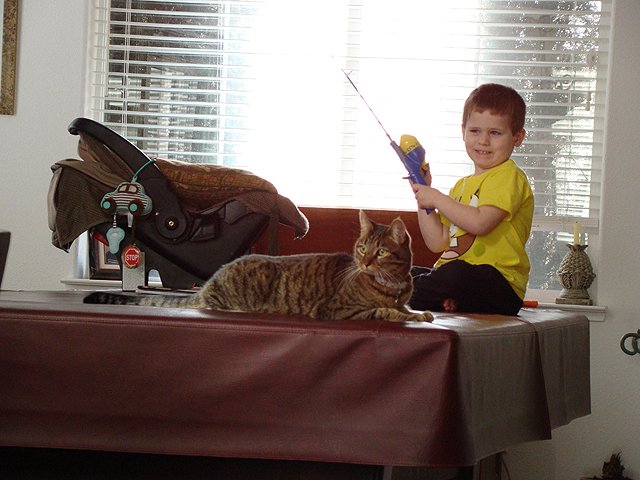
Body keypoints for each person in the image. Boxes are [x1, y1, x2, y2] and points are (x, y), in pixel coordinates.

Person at [409, 83, 533, 315]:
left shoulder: (509, 176)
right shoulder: (461, 187)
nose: (483, 141)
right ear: (463, 131)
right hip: (460, 281)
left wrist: (436, 198)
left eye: (495, 133)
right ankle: (440, 297)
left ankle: (401, 293)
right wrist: (423, 194)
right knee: (408, 272)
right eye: (475, 131)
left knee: (455, 274)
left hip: (500, 286)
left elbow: (480, 223)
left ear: (517, 137)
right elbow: (437, 242)